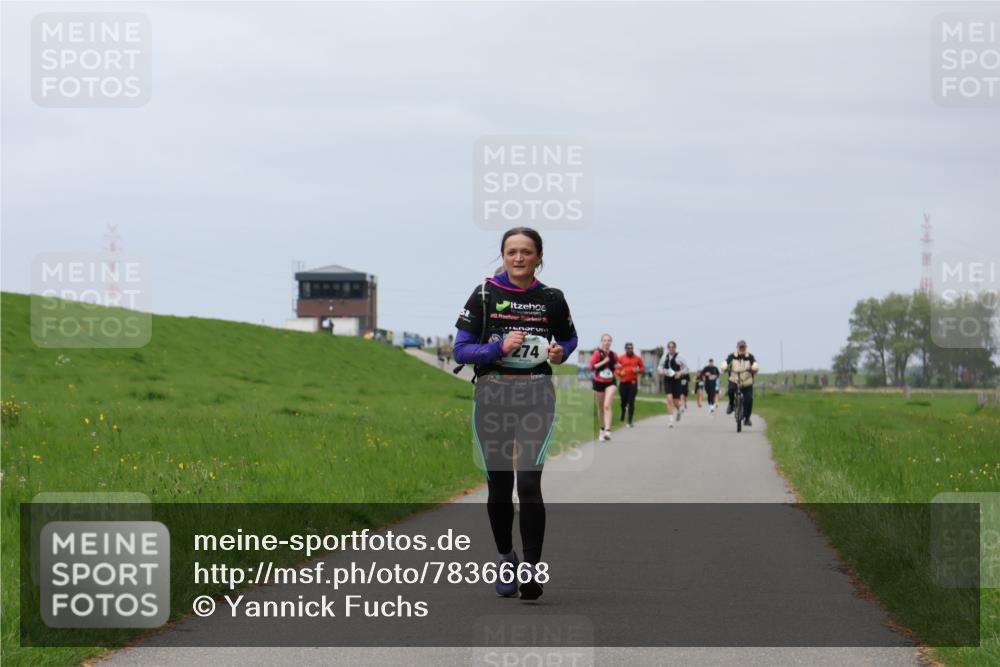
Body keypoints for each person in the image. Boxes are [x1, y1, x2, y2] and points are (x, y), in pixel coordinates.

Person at [453, 227, 577, 601]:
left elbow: (569, 338)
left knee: (528, 484)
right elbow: (460, 351)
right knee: (501, 488)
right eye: (512, 252)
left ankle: (531, 570)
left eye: (526, 252)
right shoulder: (485, 295)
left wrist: (561, 352)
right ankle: (506, 557)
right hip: (493, 397)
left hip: (537, 396)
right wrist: (497, 347)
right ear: (503, 256)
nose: (519, 258)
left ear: (539, 256)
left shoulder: (551, 298)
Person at [722, 340, 759, 427]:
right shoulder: (732, 356)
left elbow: (755, 364)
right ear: (737, 348)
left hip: (747, 381)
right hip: (734, 379)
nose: (742, 349)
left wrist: (754, 368)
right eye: (740, 347)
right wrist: (724, 367)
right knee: (731, 390)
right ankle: (731, 404)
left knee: (749, 399)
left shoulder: (750, 357)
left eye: (743, 347)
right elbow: (725, 363)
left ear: (746, 348)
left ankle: (747, 418)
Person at [590, 334, 620, 442]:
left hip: (611, 381)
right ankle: (602, 429)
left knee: (607, 405)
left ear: (611, 342)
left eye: (609, 340)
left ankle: (608, 430)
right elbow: (592, 367)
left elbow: (617, 365)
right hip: (599, 382)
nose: (607, 342)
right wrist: (604, 361)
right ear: (601, 342)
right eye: (605, 340)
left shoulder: (614, 354)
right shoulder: (597, 353)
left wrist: (618, 366)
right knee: (601, 408)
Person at [657, 341, 689, 428]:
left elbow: (686, 368)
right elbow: (659, 366)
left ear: (675, 348)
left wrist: (680, 373)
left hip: (676, 381)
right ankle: (670, 421)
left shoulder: (680, 357)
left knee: (675, 402)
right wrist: (661, 371)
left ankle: (679, 410)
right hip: (667, 380)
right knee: (669, 399)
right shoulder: (664, 357)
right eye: (669, 347)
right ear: (668, 348)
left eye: (672, 347)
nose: (671, 349)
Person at [615, 341, 645, 427]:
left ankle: (630, 421)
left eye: (631, 348)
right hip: (623, 383)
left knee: (631, 402)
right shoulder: (621, 358)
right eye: (628, 348)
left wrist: (638, 370)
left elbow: (643, 368)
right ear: (625, 349)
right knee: (623, 401)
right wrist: (620, 373)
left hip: (633, 382)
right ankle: (623, 411)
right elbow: (616, 369)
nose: (630, 350)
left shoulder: (637, 358)